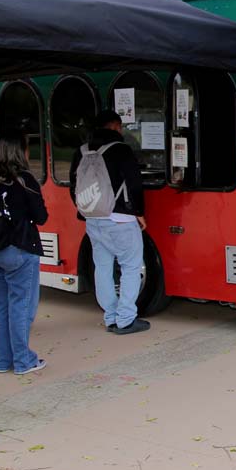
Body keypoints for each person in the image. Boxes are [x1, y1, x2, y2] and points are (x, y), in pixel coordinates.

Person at [69, 110, 149, 335]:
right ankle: (126, 319)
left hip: (93, 219)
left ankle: (111, 317)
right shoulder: (121, 149)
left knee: (102, 268)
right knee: (131, 267)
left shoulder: (81, 151)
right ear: (114, 126)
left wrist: (88, 209)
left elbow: (73, 186)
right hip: (121, 219)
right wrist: (139, 212)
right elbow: (134, 184)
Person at [0, 135, 49, 374]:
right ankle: (23, 361)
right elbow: (41, 217)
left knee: (0, 304)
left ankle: (2, 361)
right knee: (21, 306)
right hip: (19, 248)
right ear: (21, 152)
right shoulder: (25, 179)